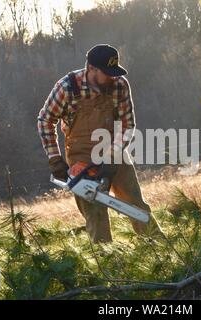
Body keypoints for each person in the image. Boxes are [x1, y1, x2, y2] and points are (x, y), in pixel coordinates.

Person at [37, 44, 162, 243]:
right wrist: (54, 158)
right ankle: (107, 262)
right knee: (95, 213)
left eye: (114, 73)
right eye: (107, 73)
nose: (112, 77)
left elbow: (127, 125)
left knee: (135, 204)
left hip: (114, 148)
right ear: (91, 69)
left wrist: (113, 156)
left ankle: (160, 249)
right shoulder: (67, 87)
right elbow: (45, 120)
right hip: (81, 156)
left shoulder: (120, 85)